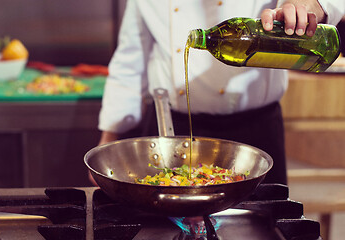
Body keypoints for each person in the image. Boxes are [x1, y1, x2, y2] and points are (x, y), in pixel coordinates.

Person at [95, 0, 345, 185]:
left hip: (254, 136)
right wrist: (110, 135)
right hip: (172, 134)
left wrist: (311, 3)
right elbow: (131, 59)